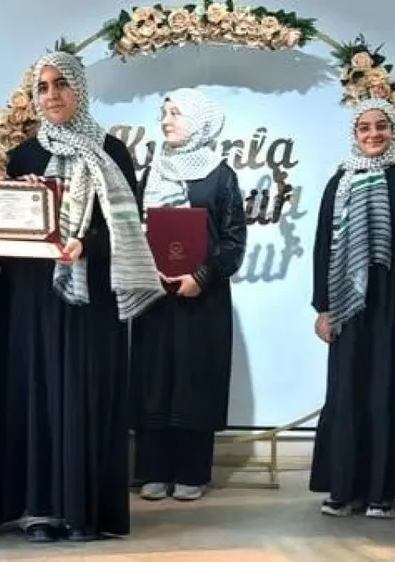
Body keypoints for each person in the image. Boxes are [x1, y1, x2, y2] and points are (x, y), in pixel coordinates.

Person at [0, 51, 163, 542]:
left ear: (79, 89)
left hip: (92, 300)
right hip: (36, 298)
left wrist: (87, 243)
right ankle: (42, 511)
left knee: (87, 397)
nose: (52, 95)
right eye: (42, 87)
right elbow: (11, 234)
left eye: (61, 84)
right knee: (40, 396)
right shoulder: (23, 156)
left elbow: (128, 227)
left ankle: (85, 512)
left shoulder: (111, 151)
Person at [309, 98, 395, 519]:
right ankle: (344, 488)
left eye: (381, 126)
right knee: (348, 390)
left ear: (393, 130)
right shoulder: (339, 181)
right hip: (350, 304)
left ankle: (383, 491)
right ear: (355, 134)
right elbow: (323, 246)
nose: (373, 134)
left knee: (389, 389)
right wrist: (323, 307)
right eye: (364, 127)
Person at [131, 88, 247, 502]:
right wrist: (147, 267)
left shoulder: (220, 175)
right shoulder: (152, 171)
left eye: (176, 113)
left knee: (194, 381)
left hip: (202, 298)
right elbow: (136, 228)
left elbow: (233, 240)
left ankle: (192, 472)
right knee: (154, 380)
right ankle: (153, 469)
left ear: (199, 120)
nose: (166, 121)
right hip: (155, 296)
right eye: (164, 113)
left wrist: (201, 275)